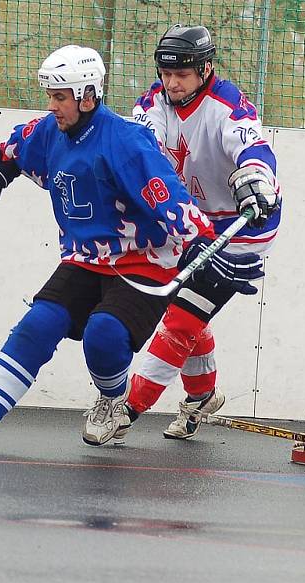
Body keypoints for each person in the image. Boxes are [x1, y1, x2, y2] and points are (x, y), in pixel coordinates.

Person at [0, 44, 264, 450]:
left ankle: (111, 400)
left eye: (60, 97)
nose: (52, 106)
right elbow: (12, 150)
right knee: (37, 325)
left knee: (104, 334)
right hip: (87, 259)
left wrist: (205, 246)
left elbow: (174, 203)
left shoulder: (127, 143)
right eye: (51, 97)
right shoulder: (49, 132)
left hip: (143, 261)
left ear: (88, 96)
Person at [113, 24, 281, 443]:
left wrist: (256, 178)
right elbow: (139, 147)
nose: (172, 83)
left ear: (206, 68)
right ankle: (203, 394)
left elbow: (255, 149)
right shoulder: (152, 102)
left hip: (242, 226)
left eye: (182, 74)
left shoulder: (229, 105)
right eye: (167, 73)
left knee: (181, 318)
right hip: (191, 221)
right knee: (187, 308)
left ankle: (126, 409)